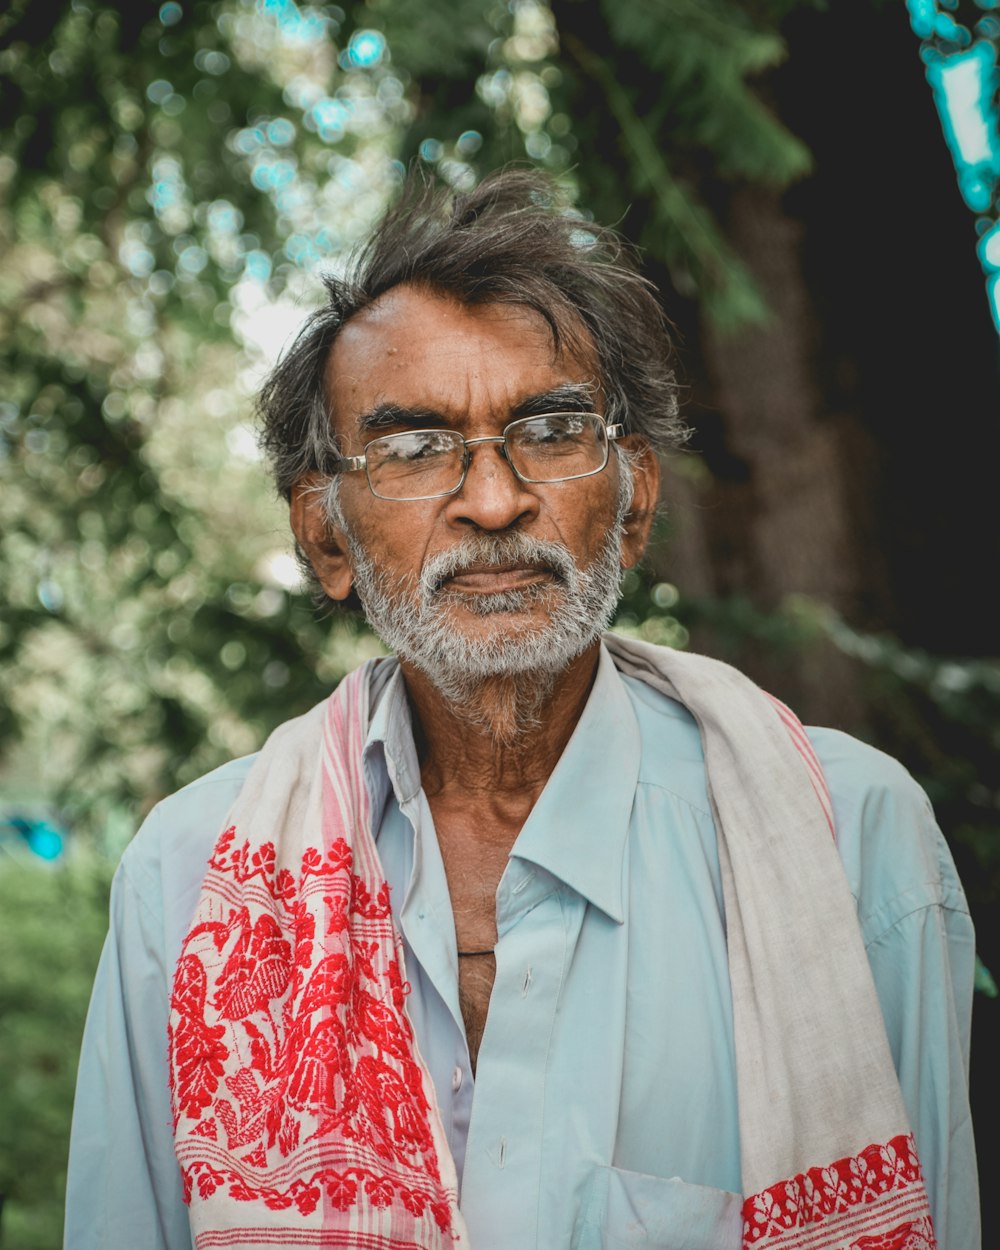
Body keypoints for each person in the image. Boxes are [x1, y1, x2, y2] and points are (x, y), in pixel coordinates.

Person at [65, 170, 978, 1250]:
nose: (493, 501)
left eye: (548, 430)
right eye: (411, 449)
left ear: (632, 500)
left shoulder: (850, 843)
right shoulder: (187, 878)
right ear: (325, 537)